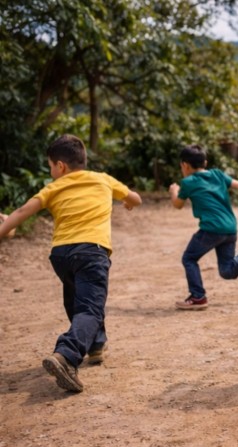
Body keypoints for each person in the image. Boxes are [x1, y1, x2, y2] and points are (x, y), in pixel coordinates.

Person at [0, 133, 141, 394]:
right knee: (90, 308)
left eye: (50, 166)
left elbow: (21, 212)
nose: (51, 171)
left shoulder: (53, 188)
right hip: (92, 251)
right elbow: (135, 198)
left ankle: (96, 345)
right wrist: (127, 202)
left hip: (61, 255)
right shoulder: (102, 179)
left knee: (78, 302)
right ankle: (66, 354)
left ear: (60, 166)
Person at [169, 143, 238, 310]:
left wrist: (174, 190)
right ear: (206, 163)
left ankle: (198, 297)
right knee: (227, 270)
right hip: (230, 227)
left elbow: (178, 204)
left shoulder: (188, 182)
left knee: (189, 258)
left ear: (185, 165)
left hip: (211, 229)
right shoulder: (217, 174)